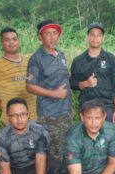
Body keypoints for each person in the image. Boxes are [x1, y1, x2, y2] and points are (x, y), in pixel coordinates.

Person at [0, 98, 62, 174]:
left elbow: (41, 159)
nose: (20, 119)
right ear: (8, 117)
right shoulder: (2, 137)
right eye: (14, 115)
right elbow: (4, 167)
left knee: (56, 165)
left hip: (35, 165)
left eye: (23, 114)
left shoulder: (41, 131)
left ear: (29, 114)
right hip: (16, 169)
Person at [26, 19, 73, 161]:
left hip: (65, 112)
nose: (52, 37)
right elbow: (29, 86)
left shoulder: (61, 54)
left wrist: (71, 106)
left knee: (66, 148)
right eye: (48, 34)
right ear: (40, 37)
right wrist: (54, 93)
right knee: (53, 152)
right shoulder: (36, 59)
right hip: (50, 115)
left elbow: (65, 80)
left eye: (55, 33)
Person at [70, 23, 115, 123]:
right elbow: (72, 83)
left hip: (107, 107)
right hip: (86, 106)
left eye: (99, 35)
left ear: (103, 38)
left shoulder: (110, 59)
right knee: (87, 138)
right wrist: (85, 83)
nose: (95, 38)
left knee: (108, 137)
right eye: (92, 35)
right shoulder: (78, 61)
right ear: (87, 37)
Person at [0, 27, 36, 124]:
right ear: (1, 43)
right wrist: (3, 107)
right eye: (7, 40)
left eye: (14, 39)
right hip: (13, 120)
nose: (11, 42)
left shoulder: (29, 60)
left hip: (34, 116)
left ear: (18, 41)